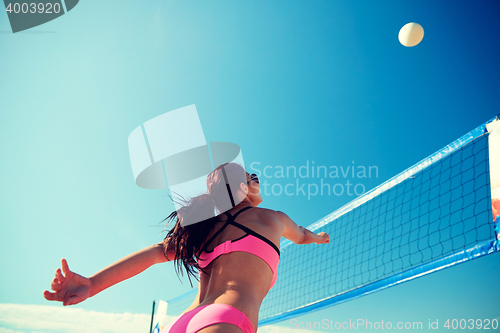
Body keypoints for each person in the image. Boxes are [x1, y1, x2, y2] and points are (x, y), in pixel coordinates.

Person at [44, 163, 330, 333]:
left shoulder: (204, 227)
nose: (256, 179)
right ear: (241, 187)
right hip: (227, 317)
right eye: (251, 175)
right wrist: (319, 238)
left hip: (184, 322)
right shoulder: (273, 217)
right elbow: (303, 235)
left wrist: (92, 284)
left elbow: (155, 253)